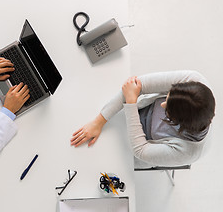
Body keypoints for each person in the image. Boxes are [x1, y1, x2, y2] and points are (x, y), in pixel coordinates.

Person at [70, 70, 215, 168]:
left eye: (168, 111)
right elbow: (136, 85)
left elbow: (140, 151)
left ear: (180, 123)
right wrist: (99, 121)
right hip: (130, 111)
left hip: (131, 146)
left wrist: (131, 103)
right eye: (168, 95)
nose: (162, 104)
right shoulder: (194, 81)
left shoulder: (188, 152)